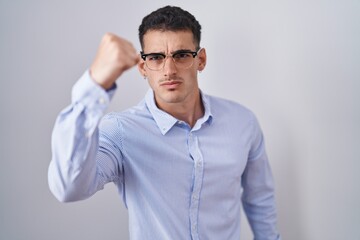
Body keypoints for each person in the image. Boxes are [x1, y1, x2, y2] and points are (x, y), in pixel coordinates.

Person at [48, 5, 281, 240]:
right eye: (156, 58)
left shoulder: (243, 123)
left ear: (200, 60)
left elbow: (259, 198)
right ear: (143, 67)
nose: (169, 70)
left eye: (181, 56)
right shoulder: (120, 131)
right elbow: (69, 188)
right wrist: (94, 84)